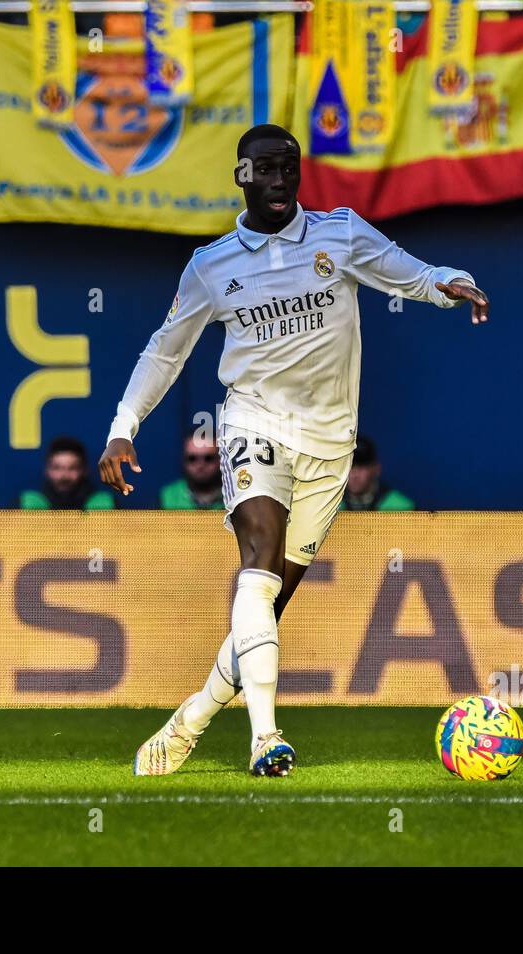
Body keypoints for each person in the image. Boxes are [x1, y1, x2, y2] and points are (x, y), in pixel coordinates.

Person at [98, 123, 488, 777]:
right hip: (254, 425)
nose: (279, 180)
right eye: (265, 169)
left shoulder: (341, 235)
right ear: (241, 177)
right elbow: (165, 351)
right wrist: (123, 426)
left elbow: (413, 274)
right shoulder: (211, 266)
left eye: (289, 168)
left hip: (330, 446)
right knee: (257, 564)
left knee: (267, 605)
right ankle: (265, 739)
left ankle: (191, 719)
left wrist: (453, 281)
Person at [20, 436, 115, 510]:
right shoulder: (28, 505)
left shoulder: (105, 505)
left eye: (72, 468)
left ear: (84, 470)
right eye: (57, 468)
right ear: (47, 470)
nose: (64, 475)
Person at [340, 436, 414, 511]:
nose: (355, 474)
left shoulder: (401, 508)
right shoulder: (333, 505)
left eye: (361, 466)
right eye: (350, 466)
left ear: (376, 469)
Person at [160, 431, 225, 510]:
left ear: (221, 460)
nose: (200, 465)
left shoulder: (234, 496)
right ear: (184, 460)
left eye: (208, 458)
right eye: (192, 458)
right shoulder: (167, 496)